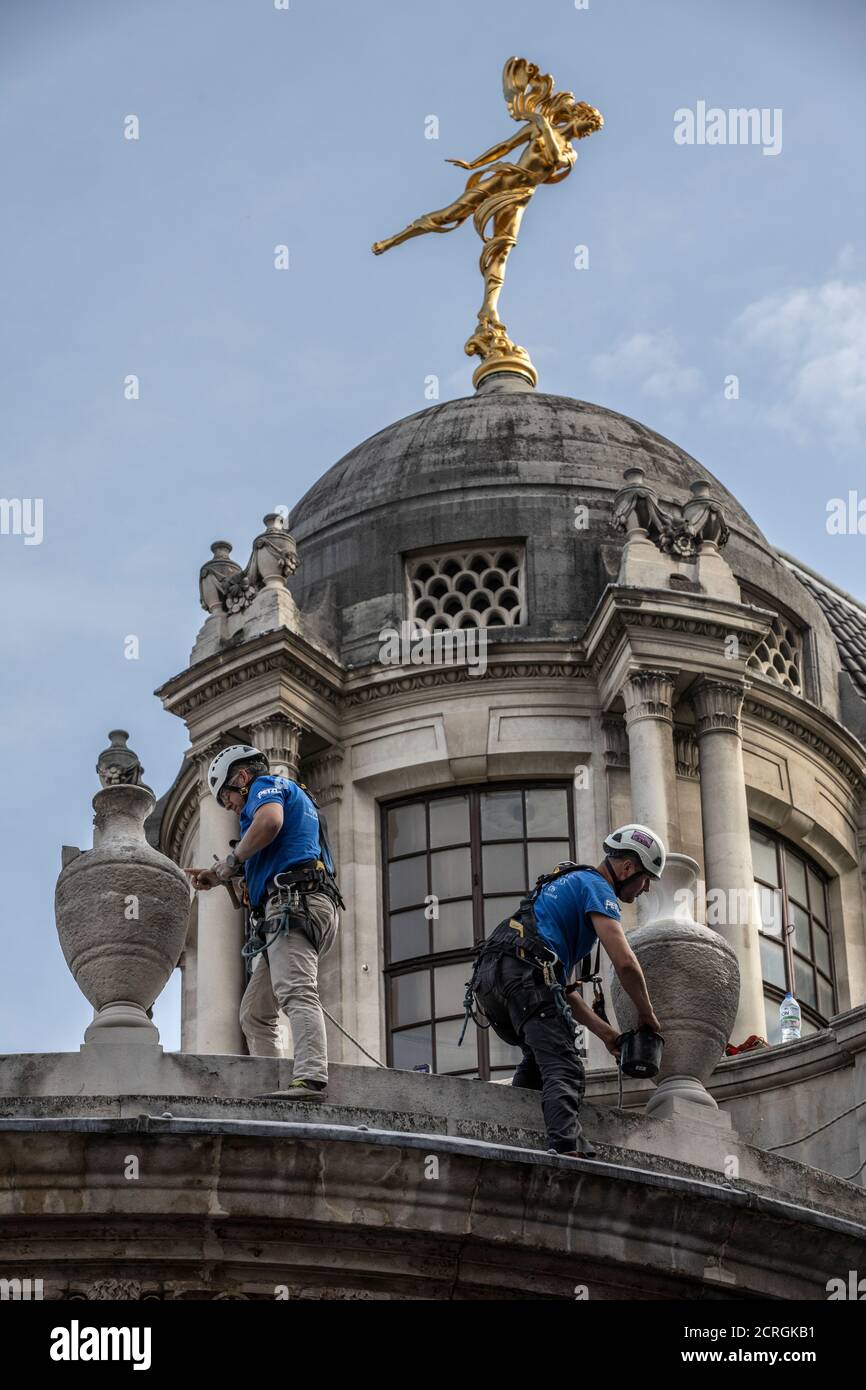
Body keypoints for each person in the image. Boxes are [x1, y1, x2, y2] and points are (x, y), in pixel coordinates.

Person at [468, 823, 665, 1159]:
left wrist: (608, 1036)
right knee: (566, 1066)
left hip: (494, 983)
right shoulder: (596, 886)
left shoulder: (565, 890)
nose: (645, 888)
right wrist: (648, 1017)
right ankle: (568, 1152)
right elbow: (627, 964)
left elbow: (562, 992)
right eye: (646, 877)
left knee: (538, 1059)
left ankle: (517, 1136)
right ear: (627, 867)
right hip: (524, 977)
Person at [185, 744, 343, 1100]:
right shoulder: (285, 799)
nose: (230, 806)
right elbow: (271, 854)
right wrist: (220, 874)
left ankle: (311, 1077)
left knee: (297, 991)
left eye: (227, 796)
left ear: (241, 778)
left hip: (294, 905)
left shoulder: (265, 786)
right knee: (254, 1013)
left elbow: (269, 822)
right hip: (294, 905)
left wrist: (228, 863)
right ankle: (274, 1087)